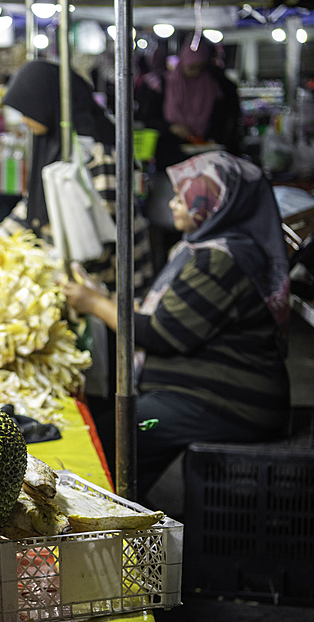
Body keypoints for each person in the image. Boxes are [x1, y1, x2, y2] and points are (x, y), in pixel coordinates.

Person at [63, 152, 291, 497]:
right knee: (117, 427)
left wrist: (94, 303)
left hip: (229, 404)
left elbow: (158, 334)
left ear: (215, 203)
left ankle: (109, 520)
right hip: (203, 393)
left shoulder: (222, 260)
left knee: (127, 430)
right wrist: (104, 295)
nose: (171, 205)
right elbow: (167, 312)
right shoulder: (204, 247)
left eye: (183, 199)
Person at [1, 59, 155, 298]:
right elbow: (35, 206)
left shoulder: (99, 156)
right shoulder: (57, 145)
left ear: (47, 104)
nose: (23, 119)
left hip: (110, 295)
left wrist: (47, 263)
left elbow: (99, 241)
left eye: (27, 110)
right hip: (74, 283)